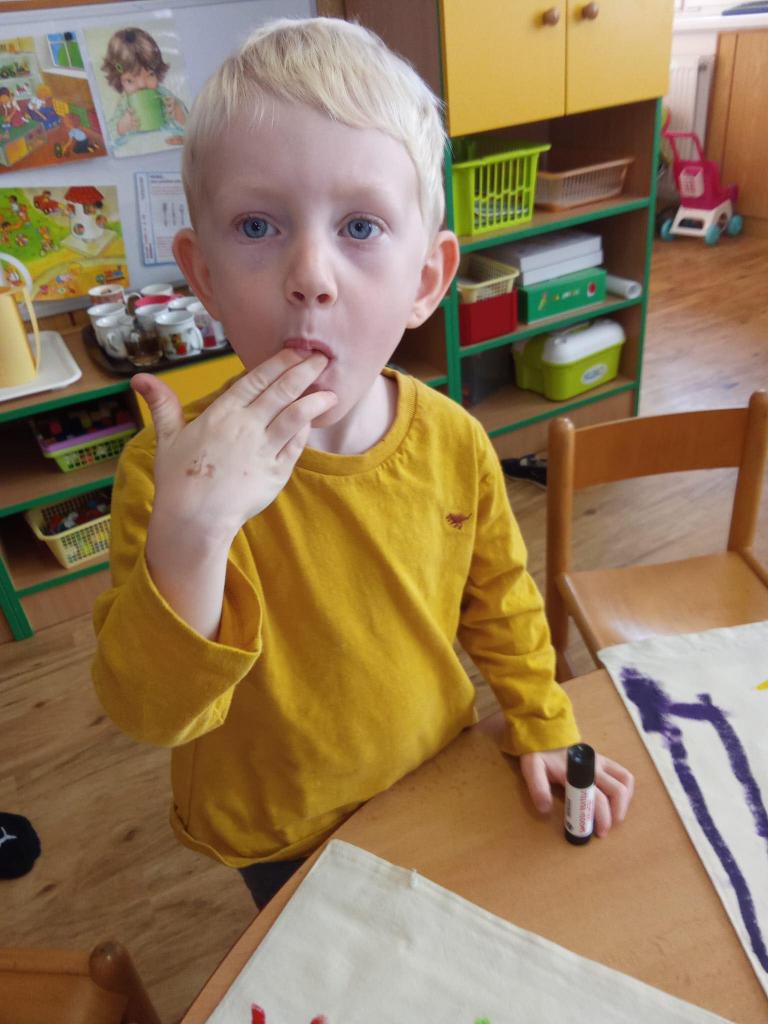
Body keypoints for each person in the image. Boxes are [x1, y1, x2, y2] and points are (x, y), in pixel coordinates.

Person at [92, 17, 634, 909]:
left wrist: (542, 719)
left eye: (360, 225)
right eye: (258, 224)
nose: (311, 274)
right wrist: (190, 536)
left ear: (426, 280)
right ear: (205, 275)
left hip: (433, 777)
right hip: (276, 825)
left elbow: (500, 600)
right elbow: (151, 713)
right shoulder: (170, 473)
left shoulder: (455, 442)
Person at [100, 27, 187, 144]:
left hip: (164, 141)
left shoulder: (163, 95)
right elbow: (109, 134)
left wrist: (177, 111)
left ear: (157, 72)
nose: (142, 85)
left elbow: (190, 123)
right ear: (120, 81)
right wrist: (122, 126)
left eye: (150, 75)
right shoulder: (124, 103)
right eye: (130, 80)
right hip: (139, 145)